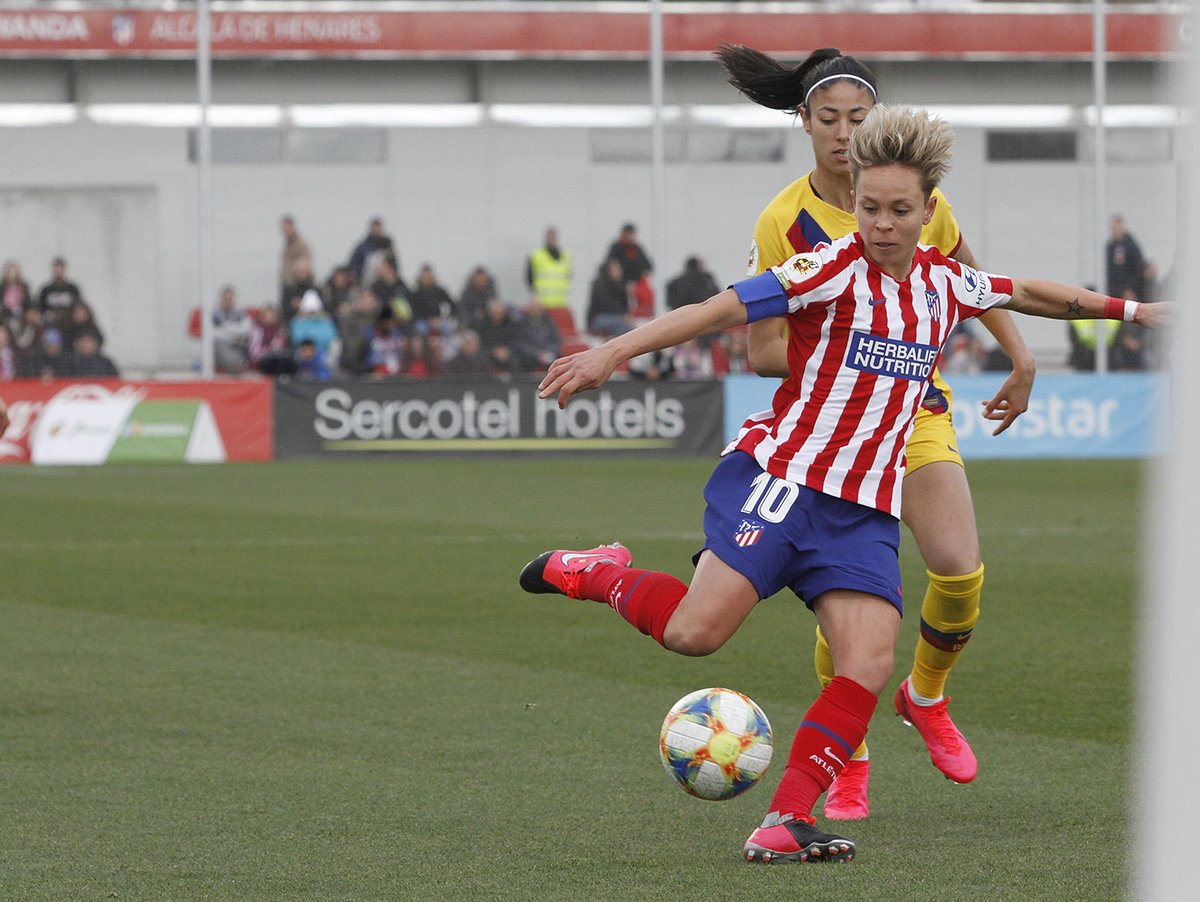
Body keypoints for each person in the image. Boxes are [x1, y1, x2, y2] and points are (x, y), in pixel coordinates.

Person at [518, 104, 1166, 866]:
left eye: (900, 210)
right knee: (696, 634)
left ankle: (787, 819)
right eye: (869, 207)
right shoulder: (825, 268)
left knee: (868, 661)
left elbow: (1027, 292)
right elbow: (717, 309)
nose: (882, 224)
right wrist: (611, 353)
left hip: (862, 512)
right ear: (853, 199)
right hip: (786, 482)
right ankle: (594, 572)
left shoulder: (945, 283)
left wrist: (1135, 311)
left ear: (928, 210)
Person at [714, 43, 1041, 821]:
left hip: (915, 412)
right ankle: (849, 755)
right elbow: (763, 350)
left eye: (858, 118)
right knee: (847, 596)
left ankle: (924, 697)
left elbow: (973, 281)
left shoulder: (919, 199)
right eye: (829, 118)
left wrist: (1021, 356)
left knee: (958, 566)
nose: (844, 132)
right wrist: (846, 344)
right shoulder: (784, 221)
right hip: (832, 428)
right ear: (804, 122)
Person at [210, 285, 254, 375]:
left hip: (237, 344)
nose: (228, 301)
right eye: (226, 299)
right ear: (221, 299)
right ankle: (234, 368)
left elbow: (246, 330)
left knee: (247, 343)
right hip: (220, 344)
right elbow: (211, 333)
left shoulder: (240, 312)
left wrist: (225, 329)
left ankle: (235, 367)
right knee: (219, 346)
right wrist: (233, 331)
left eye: (230, 299)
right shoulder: (213, 313)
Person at [526, 227, 573, 310]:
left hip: (560, 303)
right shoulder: (536, 255)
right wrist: (535, 296)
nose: (551, 240)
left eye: (553, 238)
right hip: (542, 304)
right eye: (549, 238)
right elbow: (529, 277)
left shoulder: (566, 256)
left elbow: (568, 276)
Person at [515, 296, 563, 372]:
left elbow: (556, 341)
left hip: (548, 354)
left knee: (560, 362)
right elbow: (521, 343)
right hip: (529, 357)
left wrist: (548, 352)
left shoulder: (549, 322)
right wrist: (537, 354)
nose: (536, 310)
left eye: (539, 307)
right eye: (534, 307)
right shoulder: (521, 323)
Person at [587, 258, 633, 337]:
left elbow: (625, 308)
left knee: (629, 327)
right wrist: (622, 318)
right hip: (599, 318)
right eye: (615, 269)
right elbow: (606, 304)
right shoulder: (599, 285)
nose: (619, 272)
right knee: (623, 327)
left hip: (616, 317)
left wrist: (628, 295)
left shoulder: (621, 286)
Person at [408, 263, 457, 334]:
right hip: (422, 321)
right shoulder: (416, 293)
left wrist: (445, 318)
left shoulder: (439, 291)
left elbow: (452, 305)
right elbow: (413, 311)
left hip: (438, 320)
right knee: (420, 329)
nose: (426, 279)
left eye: (429, 277)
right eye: (424, 277)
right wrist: (428, 320)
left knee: (448, 328)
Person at [36, 257, 83, 328]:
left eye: (61, 268)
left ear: (64, 270)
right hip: (51, 324)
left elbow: (77, 306)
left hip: (70, 325)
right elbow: (40, 307)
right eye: (56, 269)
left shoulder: (72, 289)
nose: (58, 271)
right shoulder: (46, 290)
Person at [1106, 214, 1145, 301]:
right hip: (1114, 290)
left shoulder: (1131, 246)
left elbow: (1137, 268)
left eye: (1118, 228)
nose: (1115, 231)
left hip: (1129, 291)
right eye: (1113, 228)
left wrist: (1131, 288)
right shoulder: (1110, 246)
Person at [348, 216, 395, 285]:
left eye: (378, 228)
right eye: (374, 228)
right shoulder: (362, 247)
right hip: (365, 282)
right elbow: (353, 265)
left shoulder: (387, 246)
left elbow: (393, 265)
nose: (376, 231)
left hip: (383, 283)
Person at [1, 260, 31, 326]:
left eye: (14, 272)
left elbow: (28, 302)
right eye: (10, 272)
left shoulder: (24, 287)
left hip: (22, 316)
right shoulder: (1, 288)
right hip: (5, 316)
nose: (12, 275)